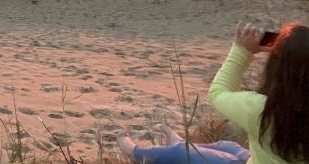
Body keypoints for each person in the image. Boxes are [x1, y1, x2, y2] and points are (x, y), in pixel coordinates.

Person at [118, 22, 309, 163]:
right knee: (228, 147)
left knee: (185, 154)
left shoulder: (261, 110)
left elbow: (218, 93)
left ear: (278, 69)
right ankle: (179, 142)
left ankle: (135, 152)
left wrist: (242, 51)